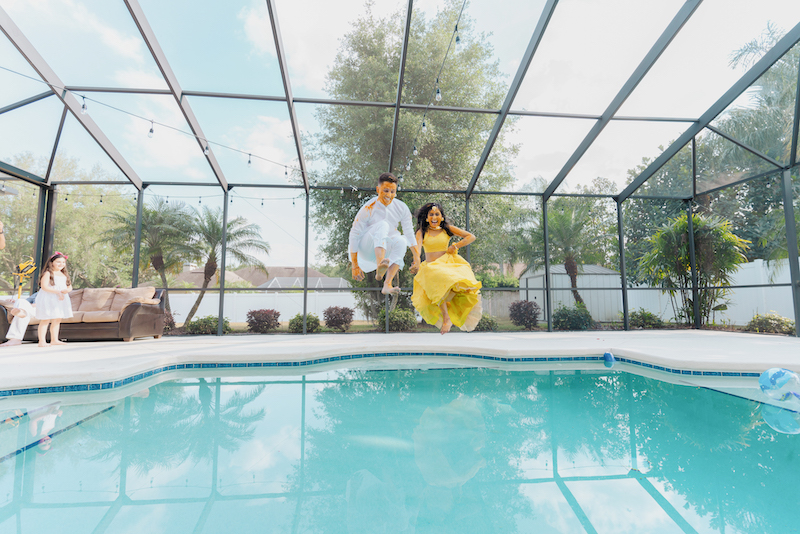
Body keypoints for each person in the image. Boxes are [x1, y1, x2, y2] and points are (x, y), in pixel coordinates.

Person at [411, 202, 482, 334]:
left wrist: (456, 246)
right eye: (431, 214)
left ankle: (452, 309)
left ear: (442, 217)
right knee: (436, 278)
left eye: (437, 214)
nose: (434, 216)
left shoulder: (447, 229)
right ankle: (446, 318)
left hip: (447, 264)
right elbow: (417, 247)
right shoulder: (422, 232)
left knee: (449, 280)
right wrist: (416, 261)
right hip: (431, 267)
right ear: (426, 218)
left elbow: (471, 236)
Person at [349, 173, 420, 296]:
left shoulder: (401, 207)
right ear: (378, 190)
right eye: (385, 190)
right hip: (365, 250)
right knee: (383, 225)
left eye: (392, 191)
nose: (389, 195)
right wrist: (355, 265)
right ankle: (379, 265)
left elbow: (409, 233)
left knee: (402, 240)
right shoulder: (369, 207)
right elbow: (354, 234)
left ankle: (387, 283)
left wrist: (417, 257)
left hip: (386, 251)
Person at [35, 252, 73, 347]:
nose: (61, 264)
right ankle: (42, 341)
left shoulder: (63, 274)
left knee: (57, 318)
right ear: (52, 263)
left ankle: (54, 339)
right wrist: (58, 292)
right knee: (46, 319)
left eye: (63, 262)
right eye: (58, 262)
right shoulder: (48, 273)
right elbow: (44, 286)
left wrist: (66, 290)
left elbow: (70, 286)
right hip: (49, 297)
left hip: (60, 298)